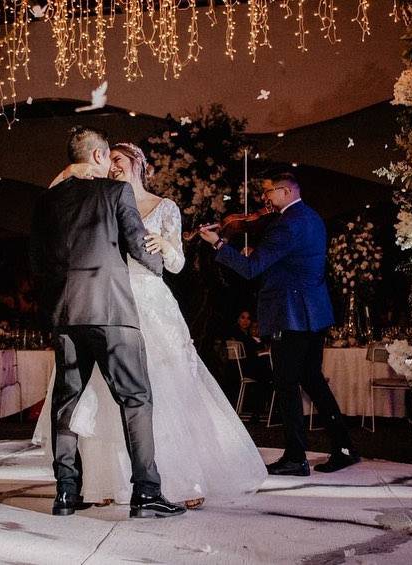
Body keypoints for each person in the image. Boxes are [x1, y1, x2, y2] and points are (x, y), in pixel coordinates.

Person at [33, 133, 265, 513]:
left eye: (120, 160)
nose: (114, 165)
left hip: (123, 304)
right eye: (110, 159)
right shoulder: (105, 195)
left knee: (148, 390)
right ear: (99, 158)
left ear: (139, 165)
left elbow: (175, 263)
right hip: (113, 306)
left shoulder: (158, 205)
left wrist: (165, 250)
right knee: (122, 397)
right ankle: (126, 485)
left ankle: (96, 487)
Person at [30, 126, 184, 518]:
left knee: (66, 402)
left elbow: (37, 262)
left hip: (66, 314)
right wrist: (158, 268)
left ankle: (65, 493)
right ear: (99, 156)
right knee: (136, 399)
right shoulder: (117, 193)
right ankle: (147, 492)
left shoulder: (47, 203)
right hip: (113, 313)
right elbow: (137, 244)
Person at [200, 172, 359, 476]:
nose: (265, 199)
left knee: (286, 384)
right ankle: (344, 446)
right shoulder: (312, 218)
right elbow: (293, 262)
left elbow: (249, 269)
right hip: (314, 312)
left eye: (269, 193)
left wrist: (219, 243)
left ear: (285, 192)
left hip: (291, 314)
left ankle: (296, 457)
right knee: (312, 380)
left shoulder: (285, 225)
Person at [227, 310, 273, 423]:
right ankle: (262, 411)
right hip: (241, 368)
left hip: (251, 366)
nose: (245, 321)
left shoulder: (248, 334)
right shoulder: (236, 333)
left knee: (267, 373)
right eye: (243, 318)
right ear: (238, 319)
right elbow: (252, 350)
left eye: (248, 318)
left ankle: (265, 411)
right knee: (267, 375)